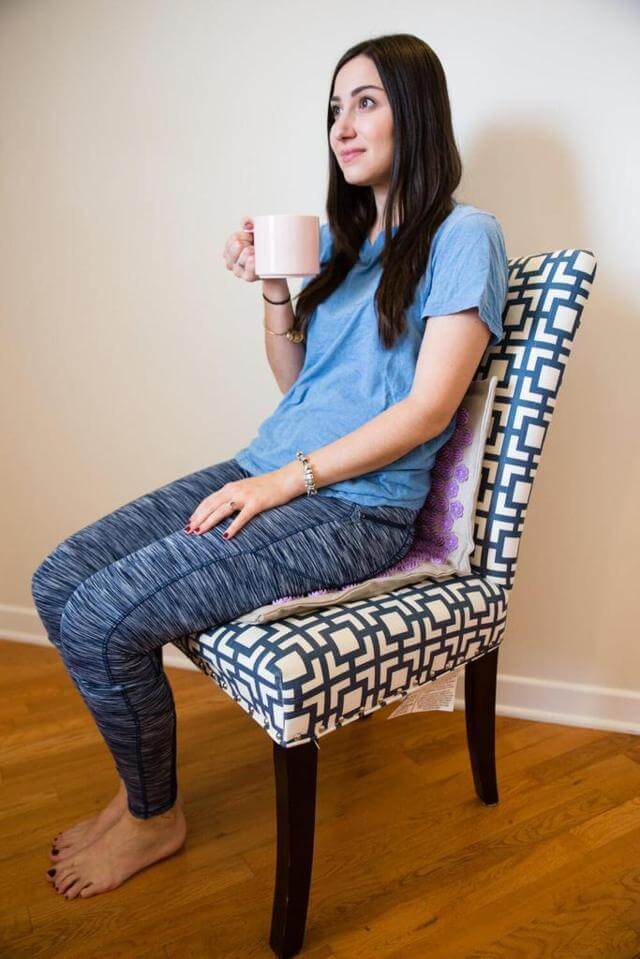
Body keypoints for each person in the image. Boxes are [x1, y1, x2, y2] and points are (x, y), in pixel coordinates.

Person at [31, 32, 509, 901]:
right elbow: (302, 385)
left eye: (365, 101)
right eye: (334, 108)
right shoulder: (348, 239)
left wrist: (286, 481)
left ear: (419, 110)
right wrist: (277, 291)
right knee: (59, 580)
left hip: (352, 510)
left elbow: (430, 407)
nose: (342, 125)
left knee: (104, 617)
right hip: (268, 464)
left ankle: (152, 815)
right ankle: (142, 789)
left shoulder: (466, 235)